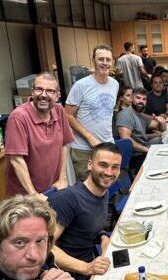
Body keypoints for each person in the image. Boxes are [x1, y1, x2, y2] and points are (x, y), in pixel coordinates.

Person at [49, 143, 121, 280]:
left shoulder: (103, 191)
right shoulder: (68, 199)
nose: (109, 172)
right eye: (103, 165)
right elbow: (44, 248)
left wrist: (103, 236)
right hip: (69, 279)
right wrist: (86, 268)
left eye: (115, 167)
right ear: (90, 165)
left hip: (91, 266)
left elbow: (86, 225)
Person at [5, 73, 73, 198]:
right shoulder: (18, 117)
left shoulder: (59, 111)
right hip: (25, 195)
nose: (43, 95)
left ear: (57, 96)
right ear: (32, 92)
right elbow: (16, 159)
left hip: (52, 188)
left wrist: (62, 178)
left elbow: (64, 144)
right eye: (39, 89)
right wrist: (33, 194)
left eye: (50, 91)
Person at [65, 45, 119, 181]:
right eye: (101, 59)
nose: (105, 63)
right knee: (89, 192)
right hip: (84, 149)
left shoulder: (115, 84)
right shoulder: (80, 86)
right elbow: (67, 115)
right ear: (93, 60)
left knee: (108, 187)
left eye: (108, 59)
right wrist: (89, 137)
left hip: (107, 145)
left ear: (112, 62)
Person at [116, 87, 167, 174]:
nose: (141, 101)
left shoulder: (140, 115)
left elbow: (161, 128)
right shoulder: (125, 115)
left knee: (167, 143)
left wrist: (161, 121)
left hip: (144, 150)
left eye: (144, 99)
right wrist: (147, 150)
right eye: (138, 98)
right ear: (132, 99)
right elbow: (126, 140)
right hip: (135, 157)